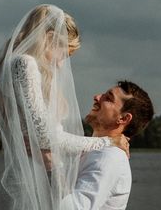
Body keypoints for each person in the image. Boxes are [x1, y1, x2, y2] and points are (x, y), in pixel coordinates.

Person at [0, 5, 130, 210]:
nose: (63, 65)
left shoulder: (12, 65)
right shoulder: (25, 63)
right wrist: (108, 142)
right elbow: (46, 137)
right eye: (65, 54)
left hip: (37, 174)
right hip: (41, 175)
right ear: (50, 38)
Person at [61, 80, 155, 210]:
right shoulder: (91, 149)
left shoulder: (109, 156)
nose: (97, 97)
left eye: (108, 98)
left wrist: (50, 164)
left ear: (123, 119)